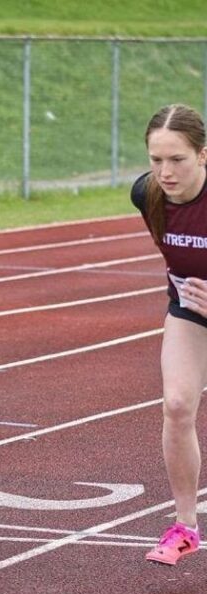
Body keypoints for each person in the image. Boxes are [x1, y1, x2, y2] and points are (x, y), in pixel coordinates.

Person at [132, 104, 207, 566]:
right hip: (190, 310)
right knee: (177, 405)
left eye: (177, 159)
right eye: (156, 159)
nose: (165, 172)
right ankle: (185, 527)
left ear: (203, 155)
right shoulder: (146, 194)